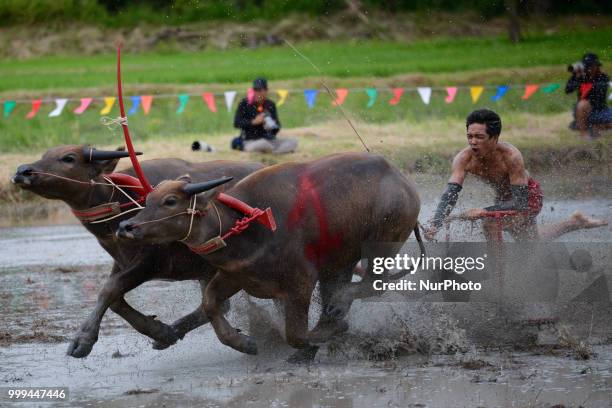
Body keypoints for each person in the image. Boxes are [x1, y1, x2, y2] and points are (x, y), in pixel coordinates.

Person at [423, 109, 607, 242]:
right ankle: (573, 222)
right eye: (469, 136)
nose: (473, 142)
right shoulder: (463, 159)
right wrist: (436, 224)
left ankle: (498, 282)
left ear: (494, 138)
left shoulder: (511, 156)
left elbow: (520, 202)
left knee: (490, 223)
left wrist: (484, 210)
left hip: (528, 198)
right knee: (532, 244)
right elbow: (450, 194)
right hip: (503, 198)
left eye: (479, 137)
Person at [232, 78, 298, 154]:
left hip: (270, 140)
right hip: (251, 141)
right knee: (263, 144)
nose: (257, 93)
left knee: (293, 141)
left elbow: (277, 127)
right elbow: (236, 123)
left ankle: (272, 152)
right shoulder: (244, 103)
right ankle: (275, 152)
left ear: (266, 91)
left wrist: (272, 126)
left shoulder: (270, 104)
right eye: (255, 90)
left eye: (260, 90)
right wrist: (253, 122)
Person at [565, 53, 612, 139]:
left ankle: (594, 126)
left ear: (596, 66)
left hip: (600, 110)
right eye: (587, 66)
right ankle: (584, 135)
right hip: (583, 111)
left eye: (591, 66)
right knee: (583, 104)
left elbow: (598, 94)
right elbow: (568, 90)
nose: (589, 68)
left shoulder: (603, 77)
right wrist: (576, 76)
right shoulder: (580, 77)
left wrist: (588, 79)